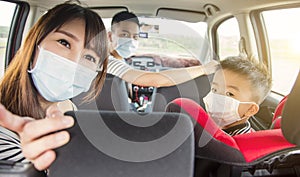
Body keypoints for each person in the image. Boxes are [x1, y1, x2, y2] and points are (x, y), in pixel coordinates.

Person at [0, 2, 108, 170]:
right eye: (64, 43)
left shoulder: (67, 107)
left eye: (89, 57)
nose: (74, 62)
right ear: (34, 44)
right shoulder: (4, 131)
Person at [106, 11, 218, 88]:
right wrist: (203, 69)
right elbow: (154, 80)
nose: (130, 41)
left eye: (135, 37)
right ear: (110, 36)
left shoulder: (119, 59)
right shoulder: (108, 62)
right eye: (124, 35)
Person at [168, 56, 272, 136]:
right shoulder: (208, 129)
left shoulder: (235, 145)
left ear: (250, 109)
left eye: (229, 94)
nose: (216, 98)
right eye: (214, 90)